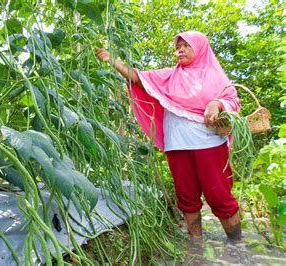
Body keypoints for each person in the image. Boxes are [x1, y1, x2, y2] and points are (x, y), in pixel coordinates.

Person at [95, 31, 242, 240]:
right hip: (177, 145)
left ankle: (237, 245)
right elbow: (138, 77)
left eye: (185, 45)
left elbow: (233, 102)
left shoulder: (214, 77)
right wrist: (113, 61)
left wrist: (216, 103)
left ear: (199, 48)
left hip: (208, 143)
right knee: (186, 197)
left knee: (219, 195)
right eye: (177, 46)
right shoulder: (168, 76)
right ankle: (196, 245)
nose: (179, 49)